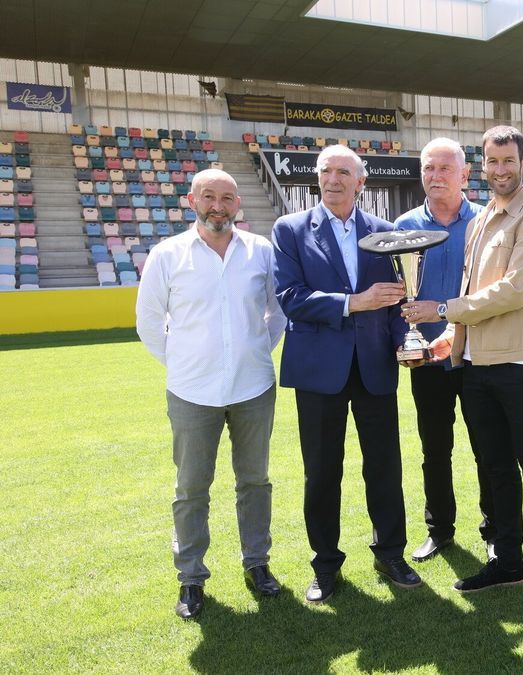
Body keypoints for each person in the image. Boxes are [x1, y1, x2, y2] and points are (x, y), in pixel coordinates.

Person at [402, 125, 523, 617]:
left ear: (522, 163)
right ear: (483, 166)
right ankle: (509, 562)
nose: (499, 170)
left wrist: (444, 310)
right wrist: (447, 344)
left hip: (520, 366)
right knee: (495, 470)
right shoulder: (479, 221)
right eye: (492, 162)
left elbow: (513, 291)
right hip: (475, 366)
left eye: (507, 161)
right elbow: (478, 293)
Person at [135, 168, 287, 619]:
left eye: (226, 197)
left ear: (237, 204)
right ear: (192, 201)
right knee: (191, 488)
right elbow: (148, 323)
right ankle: (191, 578)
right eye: (208, 196)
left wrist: (256, 350)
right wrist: (186, 364)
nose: (217, 205)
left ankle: (257, 564)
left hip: (253, 387)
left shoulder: (261, 252)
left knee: (255, 482)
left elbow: (278, 312)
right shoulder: (167, 255)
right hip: (191, 393)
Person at [272, 143, 420, 603]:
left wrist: (403, 337)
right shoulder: (291, 229)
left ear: (361, 182)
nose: (333, 179)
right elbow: (290, 296)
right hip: (319, 371)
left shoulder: (385, 231)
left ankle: (390, 552)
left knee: (384, 467)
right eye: (326, 171)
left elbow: (398, 299)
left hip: (374, 367)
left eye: (343, 172)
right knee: (321, 471)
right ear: (317, 178)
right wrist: (353, 302)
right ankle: (325, 563)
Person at [393, 137, 495, 563]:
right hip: (427, 358)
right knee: (435, 449)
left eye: (444, 169)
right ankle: (440, 530)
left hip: (477, 353)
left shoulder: (487, 222)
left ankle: (495, 529)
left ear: (465, 175)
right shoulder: (403, 227)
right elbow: (398, 292)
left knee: (487, 446)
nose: (435, 176)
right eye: (428, 168)